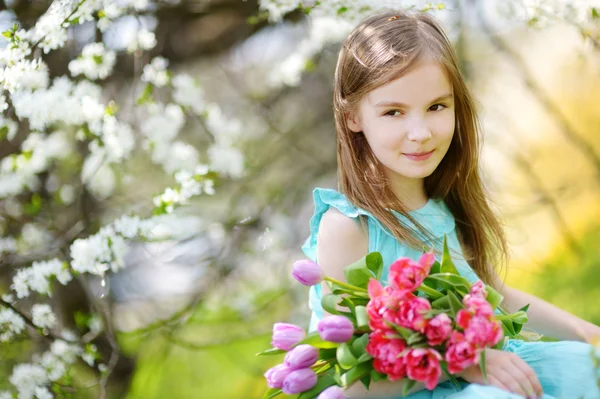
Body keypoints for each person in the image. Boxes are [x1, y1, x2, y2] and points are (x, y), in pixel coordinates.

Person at [301, 9, 600, 399]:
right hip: (417, 390)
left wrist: (590, 334)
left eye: (437, 107)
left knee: (587, 369)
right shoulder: (348, 228)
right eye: (394, 112)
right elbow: (353, 384)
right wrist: (461, 362)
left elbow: (495, 292)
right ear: (353, 115)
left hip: (487, 367)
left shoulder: (443, 204)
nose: (421, 133)